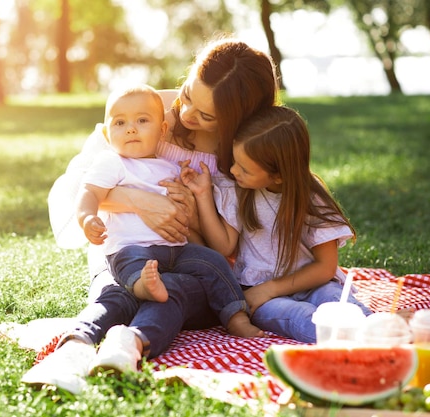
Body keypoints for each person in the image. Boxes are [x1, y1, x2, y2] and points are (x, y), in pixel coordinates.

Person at [22, 36, 279, 394]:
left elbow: (222, 248)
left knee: (172, 289)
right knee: (118, 291)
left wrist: (189, 216)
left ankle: (128, 343)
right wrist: (135, 200)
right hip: (125, 248)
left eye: (206, 116)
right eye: (187, 95)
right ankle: (72, 352)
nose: (185, 114)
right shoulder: (140, 109)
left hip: (185, 254)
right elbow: (77, 192)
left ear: (235, 120)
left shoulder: (242, 150)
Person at [77, 84, 261, 337]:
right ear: (107, 136)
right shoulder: (113, 163)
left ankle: (236, 315)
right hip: (131, 247)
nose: (130, 128)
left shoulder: (169, 167)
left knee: (214, 262)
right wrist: (87, 217)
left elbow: (183, 214)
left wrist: (189, 187)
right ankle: (143, 287)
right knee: (131, 266)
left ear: (162, 130)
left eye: (142, 120)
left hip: (176, 250)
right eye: (119, 123)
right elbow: (89, 192)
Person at [180, 105, 373, 343]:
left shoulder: (311, 196)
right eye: (235, 160)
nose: (232, 170)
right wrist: (202, 196)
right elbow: (223, 248)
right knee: (299, 316)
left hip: (312, 284)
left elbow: (325, 267)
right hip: (261, 296)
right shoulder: (241, 191)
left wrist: (271, 287)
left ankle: (382, 333)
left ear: (279, 175)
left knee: (342, 302)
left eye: (244, 168)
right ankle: (359, 341)